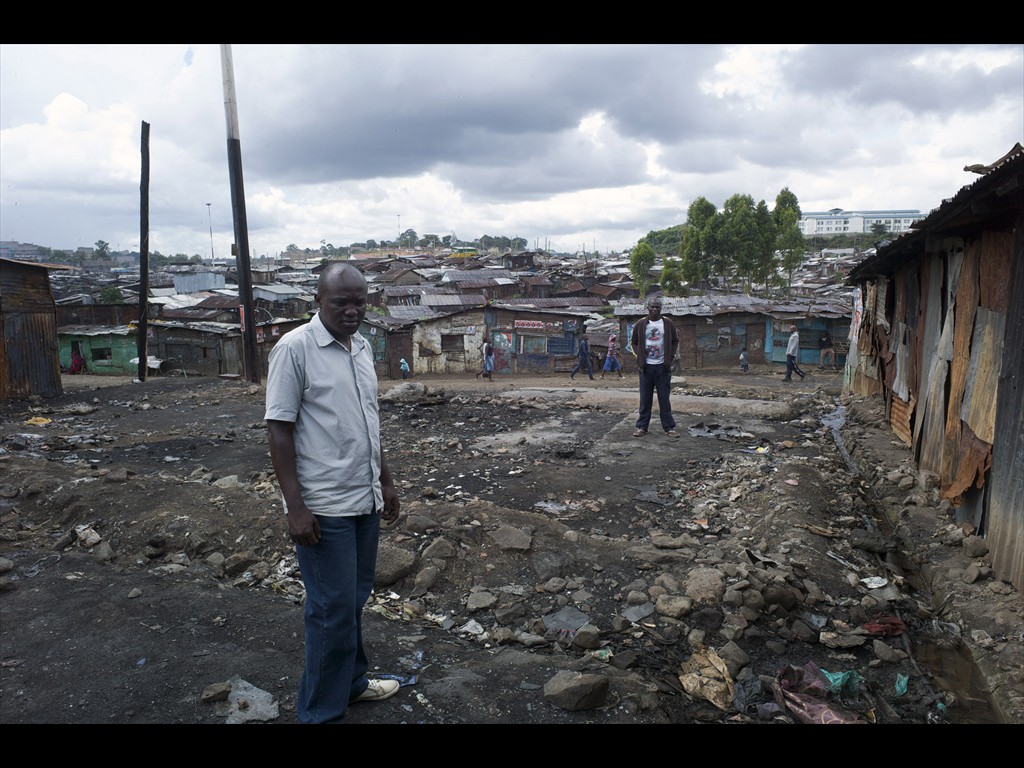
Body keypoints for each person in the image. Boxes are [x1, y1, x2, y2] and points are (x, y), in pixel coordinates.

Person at [265, 262, 401, 724]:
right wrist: (295, 507)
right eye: (341, 301)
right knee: (331, 609)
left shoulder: (361, 347)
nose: (352, 309)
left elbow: (367, 420)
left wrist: (385, 479)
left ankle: (353, 684)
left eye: (359, 300)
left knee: (353, 598)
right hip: (323, 507)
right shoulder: (295, 349)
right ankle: (320, 713)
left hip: (363, 496)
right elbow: (279, 431)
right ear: (318, 299)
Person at [630, 296, 680, 437]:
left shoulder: (668, 323)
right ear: (647, 308)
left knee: (664, 399)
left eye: (657, 307)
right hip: (646, 368)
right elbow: (633, 342)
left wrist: (669, 358)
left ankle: (669, 428)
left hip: (662, 368)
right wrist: (639, 358)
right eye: (652, 306)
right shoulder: (640, 324)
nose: (654, 309)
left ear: (660, 308)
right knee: (645, 399)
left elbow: (675, 341)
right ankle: (642, 427)